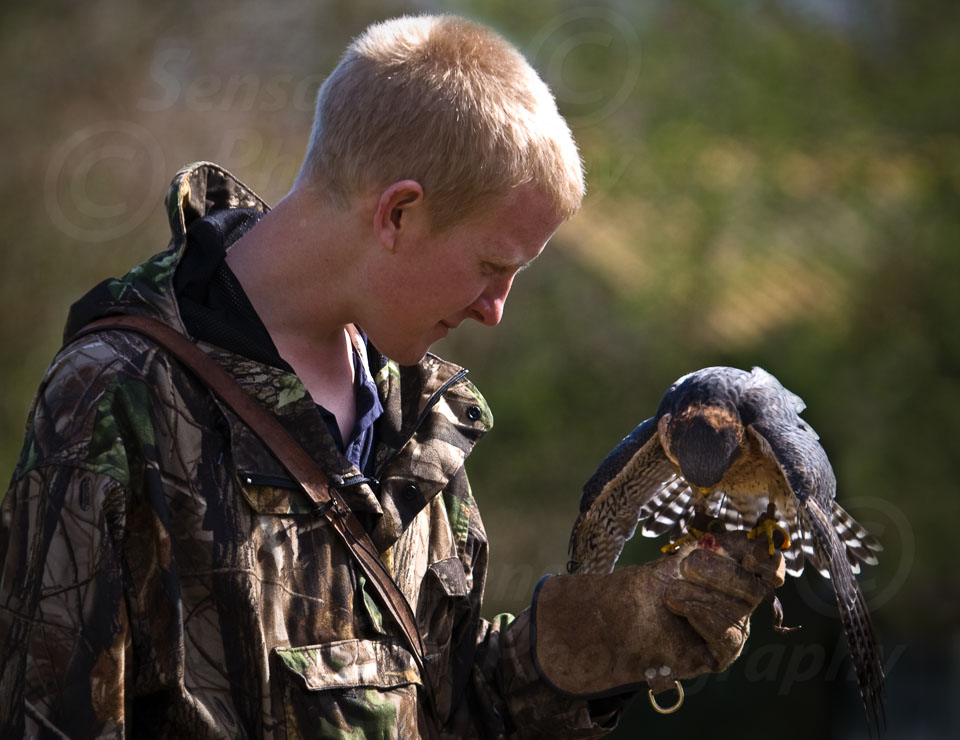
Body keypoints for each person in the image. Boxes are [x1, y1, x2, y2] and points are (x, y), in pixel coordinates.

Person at [0, 14, 783, 738]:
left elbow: (445, 704)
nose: (496, 309)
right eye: (489, 266)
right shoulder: (114, 399)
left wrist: (602, 648)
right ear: (398, 214)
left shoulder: (420, 413)